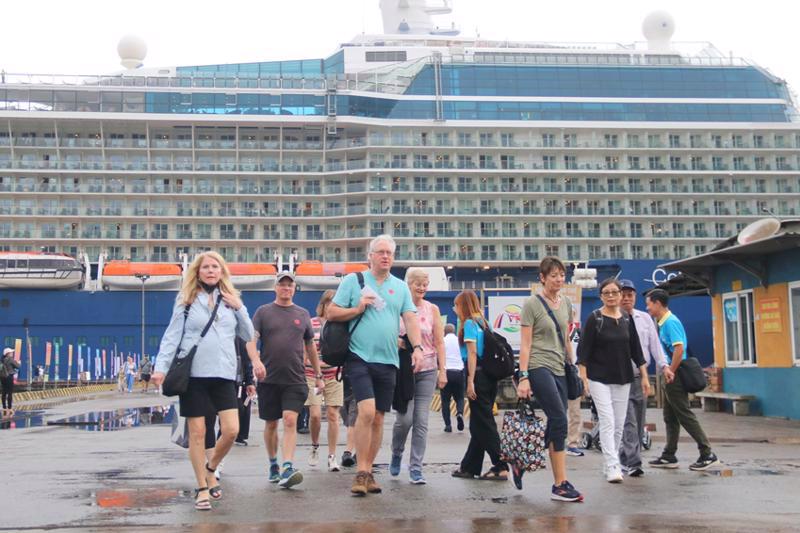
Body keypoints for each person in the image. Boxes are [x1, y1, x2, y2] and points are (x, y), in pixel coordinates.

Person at [151, 251, 259, 511]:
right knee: (198, 434)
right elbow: (171, 336)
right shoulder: (186, 300)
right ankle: (201, 487)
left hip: (223, 374)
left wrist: (240, 307)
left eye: (215, 267)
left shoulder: (231, 301)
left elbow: (247, 335)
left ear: (222, 272)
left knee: (231, 430)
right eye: (206, 267)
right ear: (198, 273)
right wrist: (160, 368)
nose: (210, 271)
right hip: (195, 375)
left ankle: (211, 468)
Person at [327, 234, 422, 496]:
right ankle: (360, 471)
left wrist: (418, 348)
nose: (385, 257)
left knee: (379, 418)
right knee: (366, 411)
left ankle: (368, 472)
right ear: (370, 256)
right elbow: (331, 313)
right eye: (380, 252)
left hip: (388, 360)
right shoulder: (353, 281)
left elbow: (411, 319)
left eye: (389, 253)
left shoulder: (400, 287)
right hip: (358, 357)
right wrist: (357, 309)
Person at [516, 256, 583, 501]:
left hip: (559, 367)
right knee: (559, 418)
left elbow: (565, 338)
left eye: (561, 275)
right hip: (537, 365)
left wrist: (572, 365)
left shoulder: (566, 303)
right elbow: (525, 344)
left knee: (557, 423)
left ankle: (521, 461)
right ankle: (560, 484)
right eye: (553, 275)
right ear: (542, 278)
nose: (558, 279)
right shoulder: (532, 304)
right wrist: (523, 377)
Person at [249, 271, 324, 489]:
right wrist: (255, 362)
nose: (286, 288)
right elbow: (252, 340)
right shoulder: (263, 312)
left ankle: (287, 466)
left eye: (290, 285)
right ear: (275, 288)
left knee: (290, 420)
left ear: (294, 289)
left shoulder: (302, 313)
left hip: (295, 378)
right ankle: (273, 463)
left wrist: (318, 375)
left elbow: (310, 346)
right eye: (282, 285)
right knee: (271, 423)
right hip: (269, 378)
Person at [577, 278, 650, 483]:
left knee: (619, 424)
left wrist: (644, 376)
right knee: (607, 421)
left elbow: (636, 350)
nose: (611, 296)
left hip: (623, 377)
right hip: (598, 377)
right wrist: (583, 378)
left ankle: (612, 460)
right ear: (601, 296)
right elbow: (583, 352)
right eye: (606, 293)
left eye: (614, 292)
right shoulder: (595, 318)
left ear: (620, 295)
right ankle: (612, 466)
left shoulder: (627, 319)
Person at [645, 289, 720, 471]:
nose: (647, 308)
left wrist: (670, 370)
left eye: (649, 304)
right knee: (670, 416)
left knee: (684, 414)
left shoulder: (670, 322)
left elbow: (679, 349)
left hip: (675, 374)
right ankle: (669, 455)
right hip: (672, 373)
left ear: (657, 303)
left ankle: (707, 453)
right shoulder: (663, 322)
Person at [390, 268, 447, 484]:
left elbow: (439, 341)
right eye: (418, 284)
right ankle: (397, 452)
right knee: (404, 420)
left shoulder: (432, 309)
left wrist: (443, 370)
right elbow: (388, 333)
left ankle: (416, 467)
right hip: (404, 369)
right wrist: (401, 342)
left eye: (425, 284)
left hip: (428, 368)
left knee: (421, 421)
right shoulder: (397, 308)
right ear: (408, 284)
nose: (422, 288)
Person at [451, 290, 509, 482]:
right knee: (478, 423)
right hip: (490, 377)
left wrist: (470, 382)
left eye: (457, 305)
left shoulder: (468, 323)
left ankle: (501, 464)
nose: (455, 309)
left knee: (484, 423)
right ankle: (470, 467)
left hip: (477, 375)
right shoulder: (484, 322)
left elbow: (472, 353)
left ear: (464, 306)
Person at [619, 279, 672, 477]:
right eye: (623, 294)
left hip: (640, 377)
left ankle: (624, 457)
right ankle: (634, 462)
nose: (626, 298)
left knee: (639, 420)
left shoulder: (644, 318)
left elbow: (655, 346)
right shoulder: (612, 318)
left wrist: (664, 366)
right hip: (620, 377)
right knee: (629, 421)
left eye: (630, 295)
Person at [306, 289, 344, 472]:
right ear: (323, 304)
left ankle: (332, 456)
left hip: (334, 374)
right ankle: (314, 446)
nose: (332, 306)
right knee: (314, 415)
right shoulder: (311, 324)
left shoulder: (340, 325)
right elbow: (304, 354)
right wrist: (318, 365)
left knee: (333, 415)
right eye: (329, 302)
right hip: (311, 374)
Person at [440, 323, 465, 432]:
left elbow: (438, 355)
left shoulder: (443, 341)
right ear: (454, 331)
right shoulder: (459, 340)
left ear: (444, 332)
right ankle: (459, 413)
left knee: (445, 400)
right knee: (459, 397)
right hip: (459, 371)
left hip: (446, 372)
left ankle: (448, 425)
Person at [1, 347, 21, 416]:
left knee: (4, 392)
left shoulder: (2, 360)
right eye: (11, 352)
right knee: (9, 392)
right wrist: (18, 363)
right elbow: (18, 366)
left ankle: (4, 407)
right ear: (8, 353)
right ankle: (9, 407)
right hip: (9, 377)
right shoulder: (10, 359)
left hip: (2, 377)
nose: (12, 353)